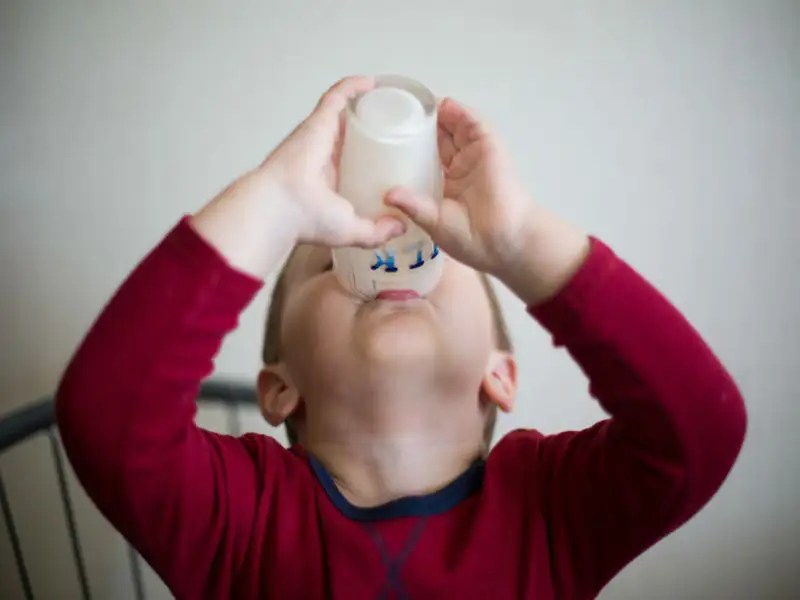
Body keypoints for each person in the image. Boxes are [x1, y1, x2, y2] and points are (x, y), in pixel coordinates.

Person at [56, 76, 747, 599]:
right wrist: (272, 202)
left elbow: (700, 432)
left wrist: (520, 241)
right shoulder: (240, 519)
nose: (390, 262)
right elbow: (105, 416)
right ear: (279, 387)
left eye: (434, 255)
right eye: (336, 257)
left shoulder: (551, 511)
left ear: (500, 373)